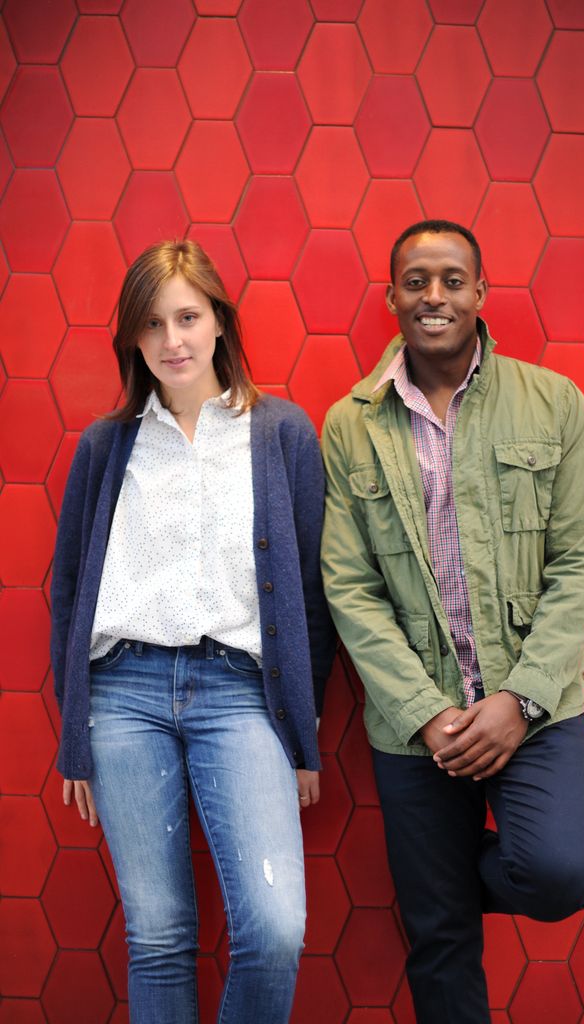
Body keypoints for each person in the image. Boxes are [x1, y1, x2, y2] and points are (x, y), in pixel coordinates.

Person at [320, 220, 584, 1023]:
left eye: (452, 279)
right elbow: (350, 586)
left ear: (481, 292)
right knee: (439, 940)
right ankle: (437, 892)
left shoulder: (553, 402)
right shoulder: (351, 424)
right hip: (417, 726)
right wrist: (426, 712)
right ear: (392, 298)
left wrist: (520, 700)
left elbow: (580, 562)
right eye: (416, 282)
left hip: (536, 708)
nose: (434, 296)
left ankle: (441, 879)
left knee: (557, 874)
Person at [51, 239, 335, 1024]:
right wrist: (74, 732)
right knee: (159, 937)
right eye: (152, 324)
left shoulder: (281, 433)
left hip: (241, 695)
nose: (171, 340)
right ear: (132, 340)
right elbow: (69, 591)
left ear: (218, 322)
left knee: (274, 931)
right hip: (122, 696)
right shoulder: (107, 445)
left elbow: (312, 598)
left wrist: (303, 733)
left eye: (186, 317)